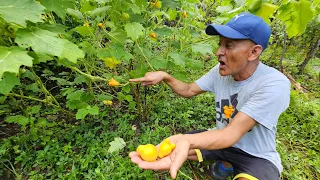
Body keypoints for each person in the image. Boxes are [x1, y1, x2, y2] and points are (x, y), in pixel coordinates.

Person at [129, 12, 291, 180]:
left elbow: (231, 133)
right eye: (220, 44)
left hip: (254, 154)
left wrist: (188, 141)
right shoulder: (220, 71)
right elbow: (189, 90)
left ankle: (227, 164)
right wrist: (165, 76)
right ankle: (225, 163)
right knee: (170, 148)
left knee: (185, 143)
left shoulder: (273, 84)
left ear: (253, 52)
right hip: (221, 140)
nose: (218, 52)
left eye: (228, 45)